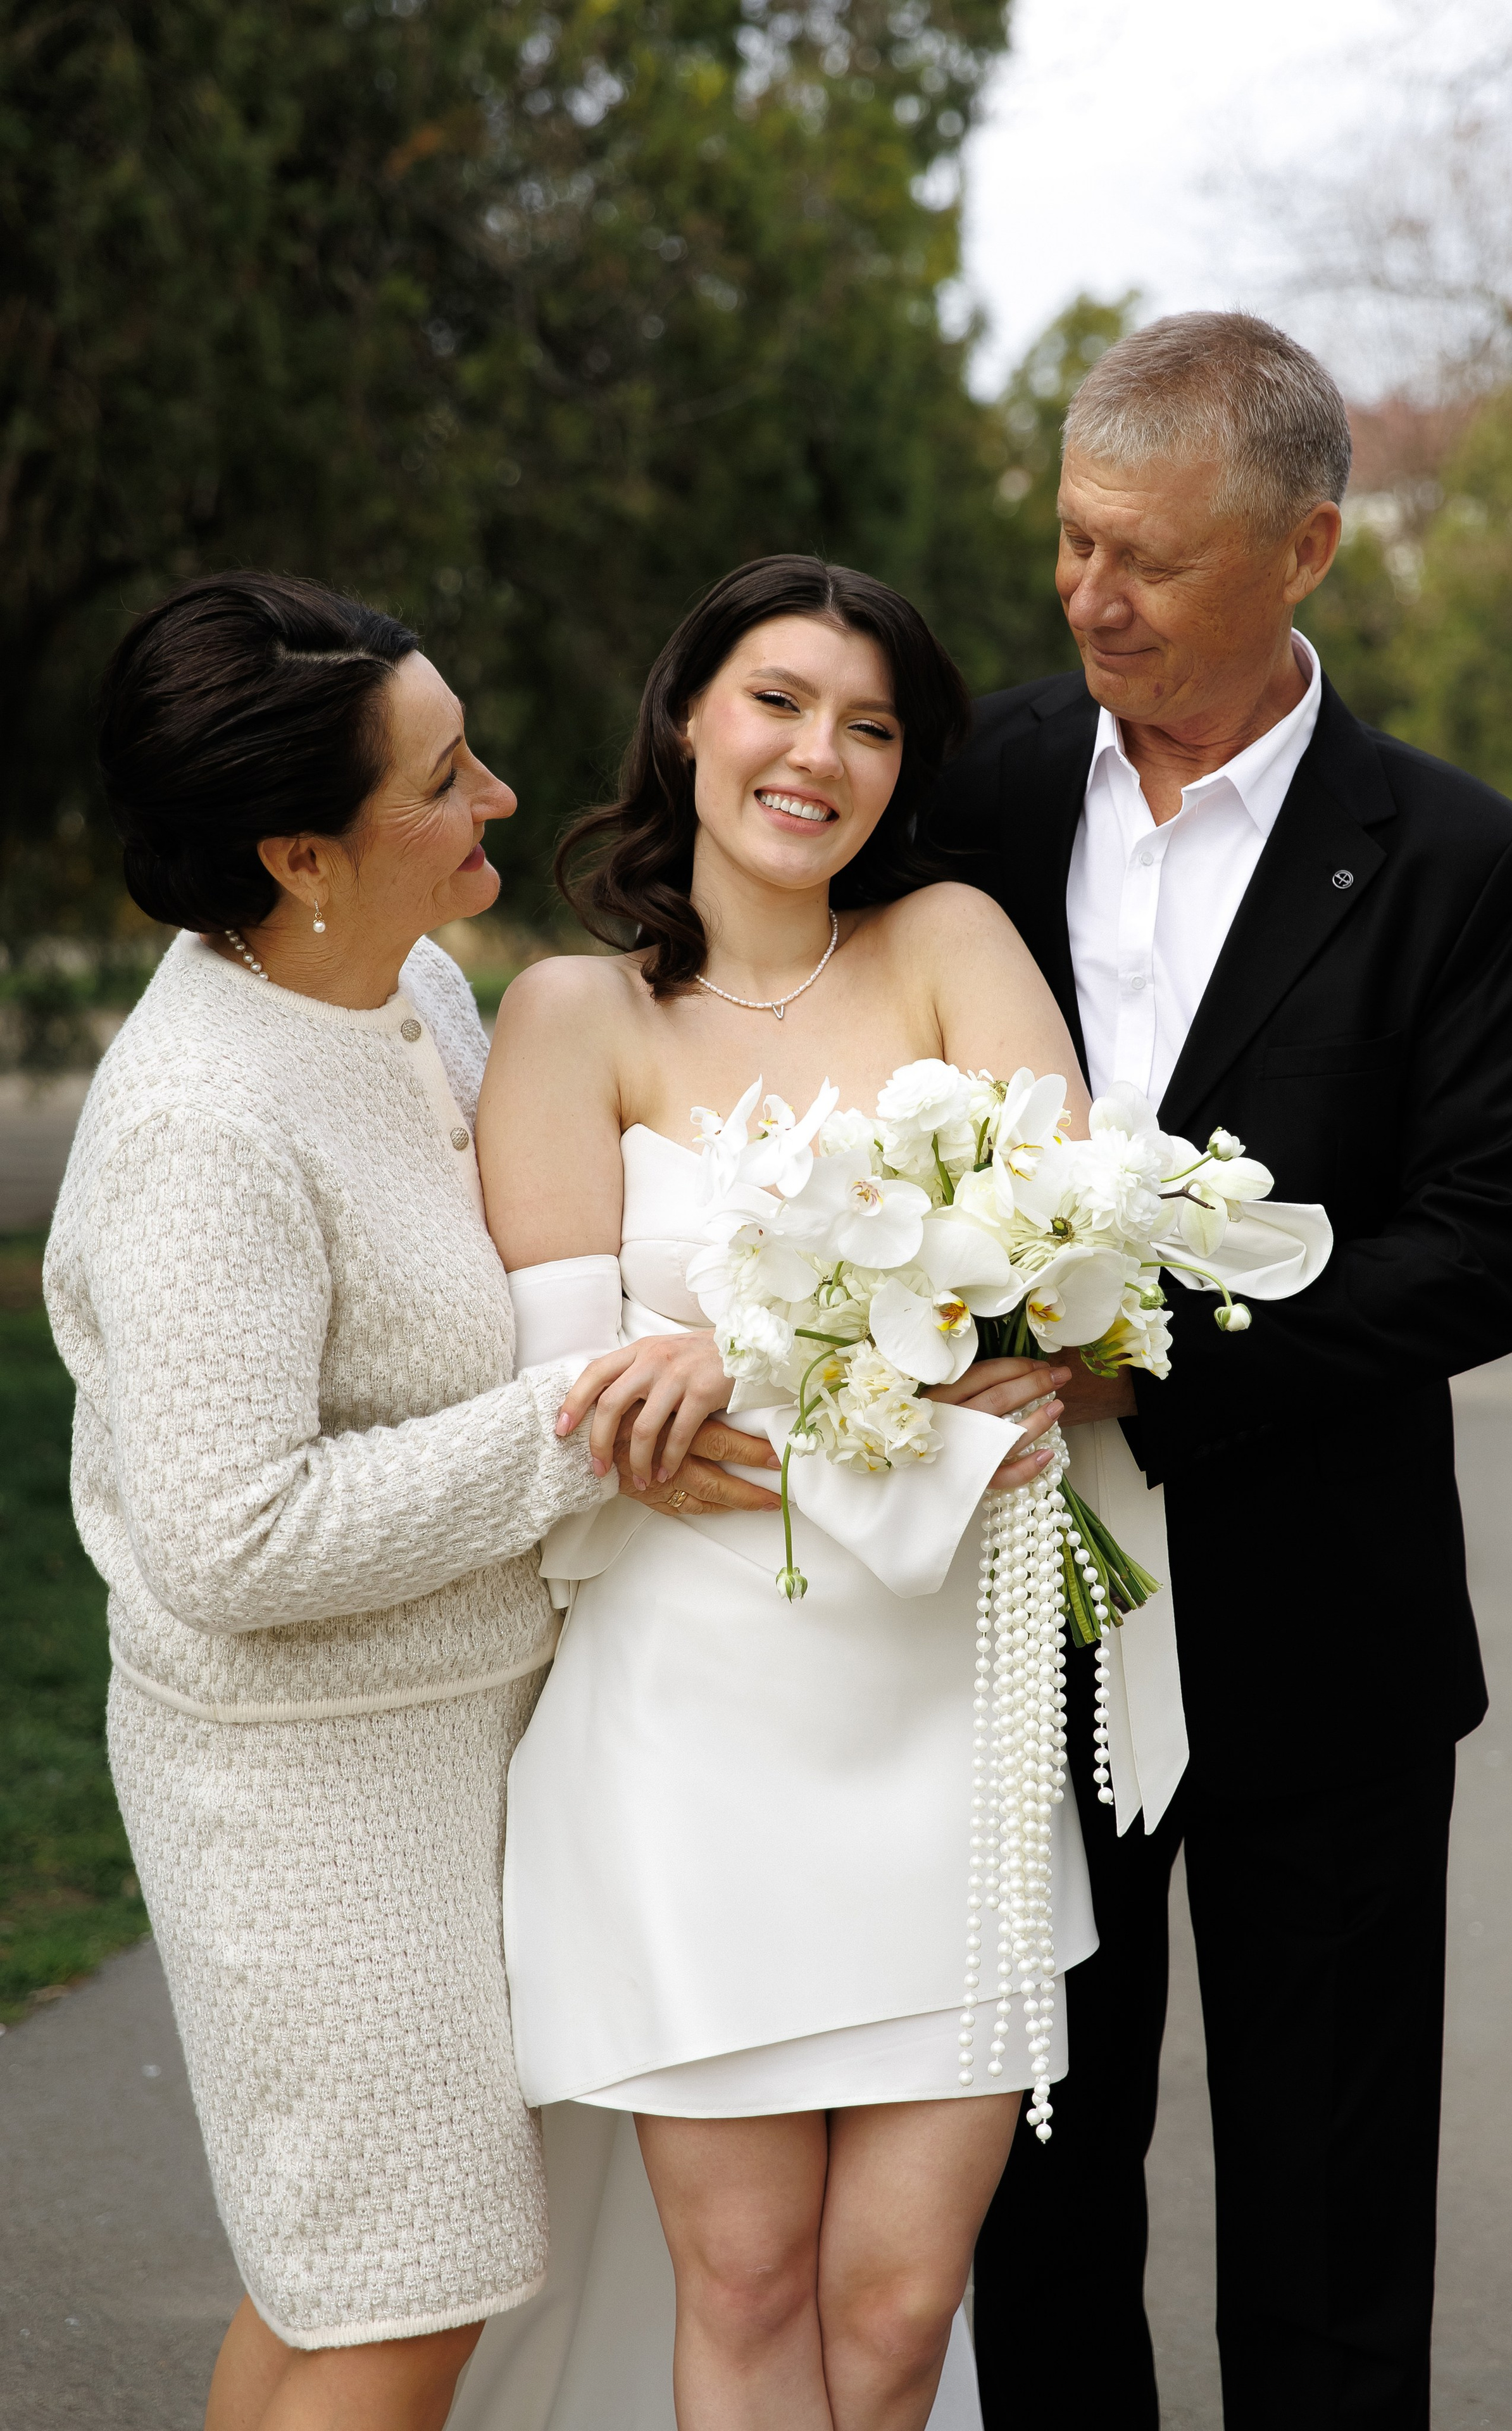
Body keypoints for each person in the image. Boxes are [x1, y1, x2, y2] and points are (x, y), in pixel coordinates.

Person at [923, 312, 1512, 2429]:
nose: (1089, 598)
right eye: (1070, 544)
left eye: (1149, 558)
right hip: (1008, 1625)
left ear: (1302, 547)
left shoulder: (1466, 864)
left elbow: (1493, 1249)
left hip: (1331, 1635)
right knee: (1036, 2192)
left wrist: (1152, 1369)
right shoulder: (986, 782)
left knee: (1325, 2210)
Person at [44, 572, 753, 2431]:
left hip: (466, 1752)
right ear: (300, 854)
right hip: (305, 1799)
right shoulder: (203, 1124)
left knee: (352, 2284)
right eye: (444, 780)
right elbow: (230, 1537)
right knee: (399, 2300)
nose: (501, 799)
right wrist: (577, 1421)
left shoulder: (412, 984)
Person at [471, 555, 1107, 2431]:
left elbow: (1057, 1275)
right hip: (683, 1735)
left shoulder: (951, 945)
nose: (814, 753)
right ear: (686, 714)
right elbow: (580, 1425)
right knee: (745, 2287)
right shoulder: (570, 1017)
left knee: (901, 2308)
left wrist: (747, 1370)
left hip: (942, 1715)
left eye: (869, 724)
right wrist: (897, 1384)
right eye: (776, 699)